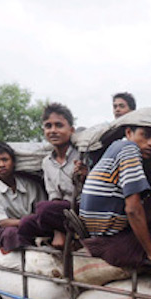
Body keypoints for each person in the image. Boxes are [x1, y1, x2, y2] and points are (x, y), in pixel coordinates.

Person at [79, 125, 151, 299]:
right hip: (110, 242)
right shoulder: (128, 150)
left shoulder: (119, 151)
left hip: (106, 235)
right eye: (145, 135)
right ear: (129, 133)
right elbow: (133, 209)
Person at [0, 142, 47, 253]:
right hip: (5, 230)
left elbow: (41, 209)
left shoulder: (29, 184)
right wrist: (27, 222)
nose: (1, 165)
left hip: (31, 225)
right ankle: (23, 259)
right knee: (11, 233)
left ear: (13, 162)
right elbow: (1, 222)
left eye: (5, 160)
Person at [38, 103, 88, 248]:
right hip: (61, 211)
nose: (53, 131)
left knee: (43, 209)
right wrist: (57, 229)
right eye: (48, 126)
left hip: (82, 207)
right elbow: (54, 195)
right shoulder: (46, 162)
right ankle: (62, 233)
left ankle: (75, 236)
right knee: (27, 223)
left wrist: (85, 175)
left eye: (59, 125)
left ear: (71, 130)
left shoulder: (82, 154)